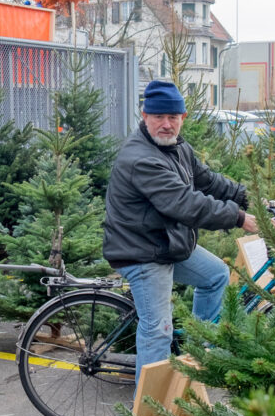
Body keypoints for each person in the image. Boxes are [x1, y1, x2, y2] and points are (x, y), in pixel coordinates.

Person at [102, 80, 258, 384]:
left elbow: (208, 181)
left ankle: (198, 356)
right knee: (157, 332)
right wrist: (238, 218)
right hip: (142, 252)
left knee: (216, 276)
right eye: (159, 117)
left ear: (182, 118)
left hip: (166, 242)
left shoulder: (177, 147)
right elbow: (186, 204)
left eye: (173, 117)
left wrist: (248, 199)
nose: (166, 124)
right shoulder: (141, 158)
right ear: (144, 115)